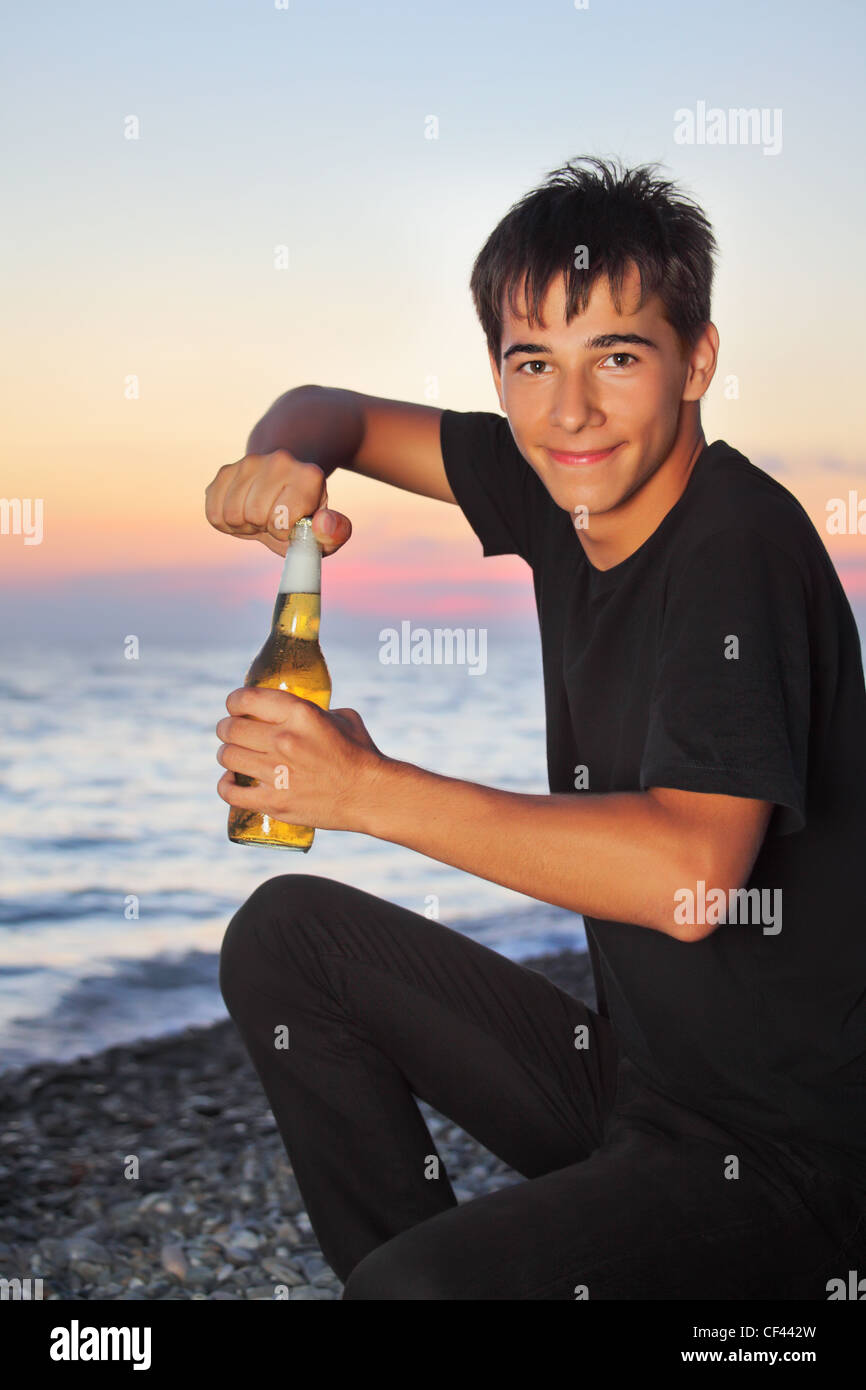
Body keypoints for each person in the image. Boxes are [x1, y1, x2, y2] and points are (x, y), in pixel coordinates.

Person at [206, 156, 866, 1300]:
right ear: (502, 378)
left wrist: (364, 790)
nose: (570, 409)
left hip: (795, 1163)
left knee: (419, 1294)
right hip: (639, 1094)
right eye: (532, 365)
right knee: (286, 935)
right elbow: (342, 413)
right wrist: (284, 451)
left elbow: (689, 878)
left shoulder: (735, 546)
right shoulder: (560, 487)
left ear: (695, 359)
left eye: (615, 356)